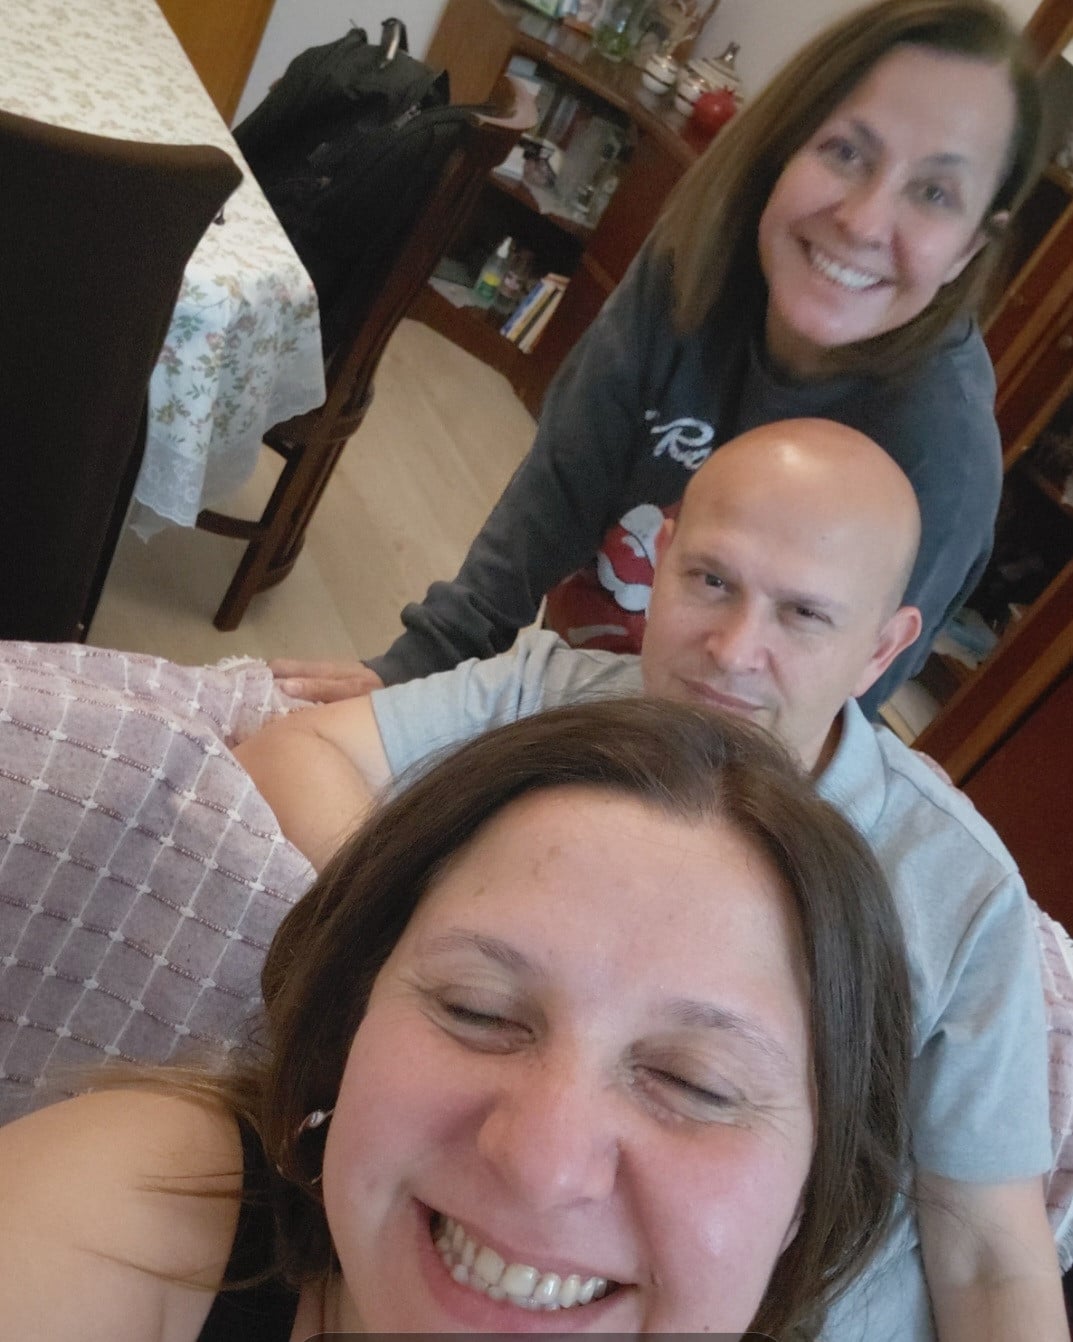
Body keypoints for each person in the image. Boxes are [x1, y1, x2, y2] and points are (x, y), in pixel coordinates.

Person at [236, 418, 1065, 1339]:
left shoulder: (959, 890)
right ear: (661, 561)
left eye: (802, 615)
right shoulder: (549, 692)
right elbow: (298, 751)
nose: (733, 649)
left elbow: (990, 1257)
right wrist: (429, 923)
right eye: (710, 581)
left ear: (881, 648)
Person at [0, 699, 913, 1341]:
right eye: (476, 1010)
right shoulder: (136, 1212)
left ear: (807, 1199)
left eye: (693, 1082)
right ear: (351, 1020)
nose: (541, 1164)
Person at [272, 0, 1047, 718]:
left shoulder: (942, 463)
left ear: (969, 249)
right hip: (567, 691)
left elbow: (809, 734)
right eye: (846, 151)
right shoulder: (694, 264)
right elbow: (561, 486)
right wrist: (423, 664)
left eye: (935, 193)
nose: (864, 221)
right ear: (784, 145)